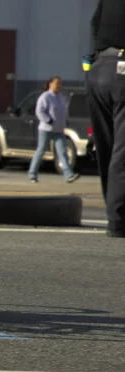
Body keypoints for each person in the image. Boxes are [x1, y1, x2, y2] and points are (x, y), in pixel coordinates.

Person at [85, 0, 125, 237]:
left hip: (98, 67)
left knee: (107, 148)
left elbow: (94, 24)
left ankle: (114, 216)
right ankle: (119, 221)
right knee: (122, 153)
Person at [28, 76, 80, 184]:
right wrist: (48, 120)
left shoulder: (60, 97)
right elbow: (39, 111)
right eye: (57, 83)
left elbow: (63, 111)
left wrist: (65, 122)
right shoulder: (45, 96)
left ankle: (69, 175)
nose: (59, 86)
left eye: (60, 84)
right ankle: (32, 174)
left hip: (58, 130)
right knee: (41, 151)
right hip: (46, 129)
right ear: (50, 84)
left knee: (62, 152)